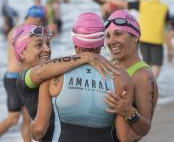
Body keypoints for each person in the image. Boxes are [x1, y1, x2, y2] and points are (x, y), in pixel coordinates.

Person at [18, 13, 130, 142]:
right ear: (102, 41)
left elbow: (39, 131)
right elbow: (124, 137)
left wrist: (29, 131)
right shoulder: (121, 77)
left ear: (75, 41)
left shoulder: (52, 74)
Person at [104, 10, 158, 141]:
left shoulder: (143, 76)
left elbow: (145, 128)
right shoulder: (109, 64)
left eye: (118, 34)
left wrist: (128, 111)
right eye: (108, 35)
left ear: (135, 37)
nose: (111, 41)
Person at [0, 5, 45, 141]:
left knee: (28, 119)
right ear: (33, 17)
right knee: (13, 118)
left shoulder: (28, 31)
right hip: (14, 78)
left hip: (24, 78)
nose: (41, 23)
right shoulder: (20, 32)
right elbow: (27, 58)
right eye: (39, 20)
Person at [106, 0, 170, 78]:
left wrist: (110, 0)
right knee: (156, 65)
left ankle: (146, 81)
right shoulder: (164, 7)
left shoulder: (142, 3)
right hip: (157, 39)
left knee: (146, 63)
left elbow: (125, 3)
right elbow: (167, 24)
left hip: (143, 38)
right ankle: (152, 82)